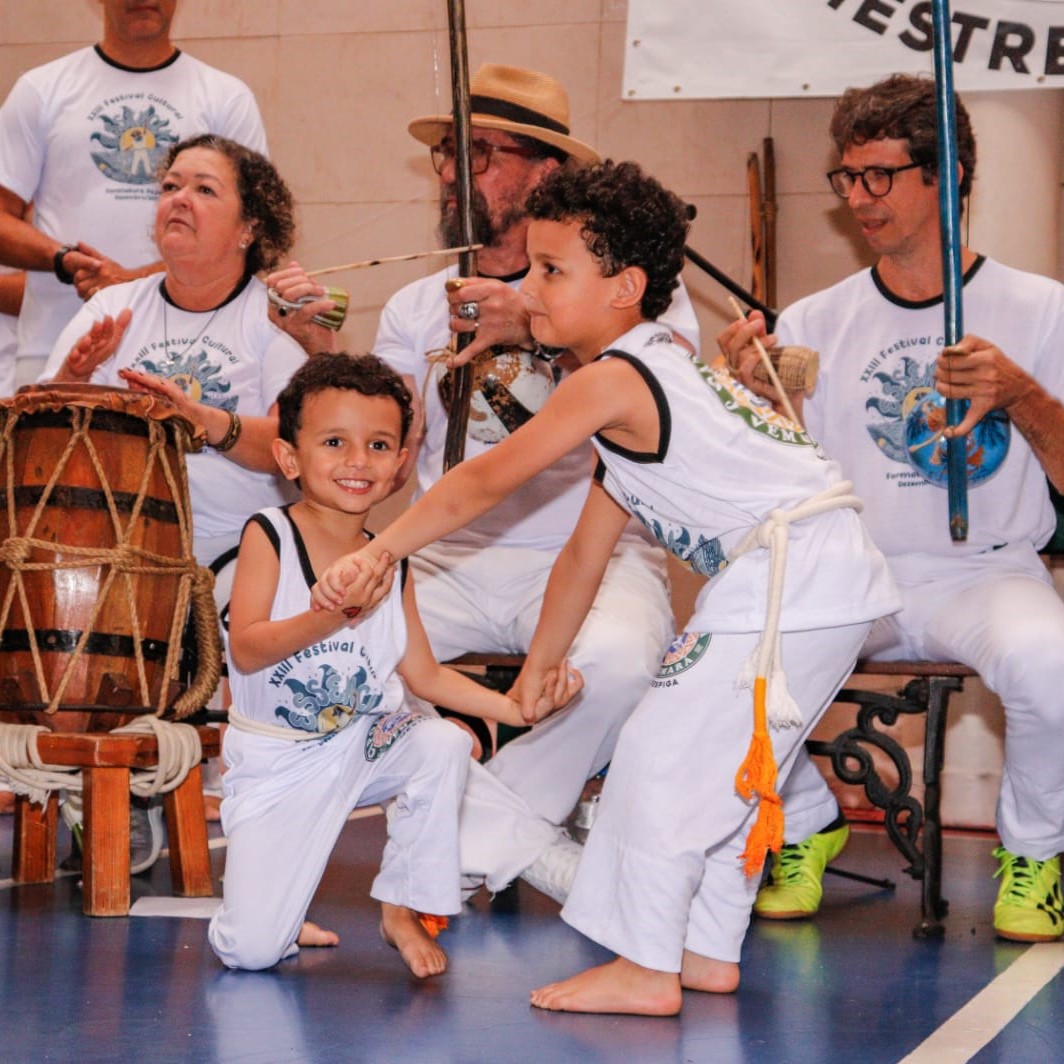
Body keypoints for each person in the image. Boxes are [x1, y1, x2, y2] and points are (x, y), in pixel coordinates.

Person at [310, 160, 899, 1014]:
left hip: (795, 577)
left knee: (658, 758)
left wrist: (381, 553)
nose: (530, 289)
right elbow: (584, 556)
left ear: (625, 288)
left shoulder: (612, 379)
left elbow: (485, 480)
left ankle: (646, 967)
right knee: (724, 771)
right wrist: (536, 673)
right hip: (813, 577)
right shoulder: (651, 376)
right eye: (532, 266)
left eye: (552, 271)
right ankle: (704, 950)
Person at [271, 62, 695, 902]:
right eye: (447, 155)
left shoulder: (635, 296)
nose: (453, 174)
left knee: (616, 661)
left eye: (482, 155)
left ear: (546, 173)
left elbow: (664, 399)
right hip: (450, 556)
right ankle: (522, 840)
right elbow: (391, 456)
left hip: (593, 552)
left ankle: (479, 836)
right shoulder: (417, 303)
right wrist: (318, 349)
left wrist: (535, 328)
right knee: (329, 649)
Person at [719, 74, 1064, 943]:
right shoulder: (814, 320)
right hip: (855, 573)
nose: (860, 197)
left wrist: (1020, 393)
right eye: (848, 176)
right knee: (728, 652)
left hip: (985, 572)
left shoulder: (1042, 309)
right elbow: (776, 486)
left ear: (948, 175)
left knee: (1052, 664)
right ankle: (806, 823)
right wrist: (749, 397)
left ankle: (1036, 855)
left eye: (881, 175)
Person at [207, 352, 580, 974]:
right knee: (251, 951)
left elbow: (424, 676)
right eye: (335, 442)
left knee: (441, 742)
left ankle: (402, 906)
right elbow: (246, 648)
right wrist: (331, 616)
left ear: (401, 462)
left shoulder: (392, 557)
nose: (359, 460)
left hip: (362, 741)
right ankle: (274, 911)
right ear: (289, 458)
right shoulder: (268, 533)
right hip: (278, 763)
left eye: (378, 445)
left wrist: (517, 708)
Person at [37, 133, 307, 870]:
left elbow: (294, 447)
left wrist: (199, 418)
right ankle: (104, 788)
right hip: (117, 555)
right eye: (170, 186)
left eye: (204, 189)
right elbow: (41, 435)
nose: (178, 199)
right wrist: (71, 382)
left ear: (250, 228)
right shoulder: (113, 308)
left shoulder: (272, 319)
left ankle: (234, 790)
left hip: (237, 549)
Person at [0, 0, 267, 393]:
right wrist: (64, 259)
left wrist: (130, 282)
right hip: (53, 348)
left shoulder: (225, 97)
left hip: (192, 359)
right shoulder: (40, 90)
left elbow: (251, 229)